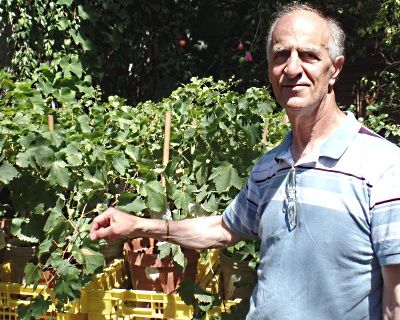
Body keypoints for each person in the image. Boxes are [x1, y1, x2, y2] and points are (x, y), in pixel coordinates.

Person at [90, 3, 400, 319]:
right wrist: (138, 225)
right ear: (268, 69)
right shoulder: (270, 168)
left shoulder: (382, 167)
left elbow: (396, 301)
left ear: (335, 69)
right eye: (281, 55)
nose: (292, 69)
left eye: (308, 55)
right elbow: (224, 228)